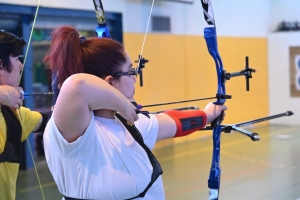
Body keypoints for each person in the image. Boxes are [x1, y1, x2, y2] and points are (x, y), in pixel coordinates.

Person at [43, 26, 227, 200]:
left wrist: (209, 114)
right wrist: (122, 103)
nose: (134, 78)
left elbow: (172, 123)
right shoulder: (73, 132)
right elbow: (77, 86)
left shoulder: (127, 124)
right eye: (130, 71)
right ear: (109, 82)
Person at [0, 30, 49, 199]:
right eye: (17, 59)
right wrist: (3, 93)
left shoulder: (14, 114)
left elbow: (49, 121)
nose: (21, 66)